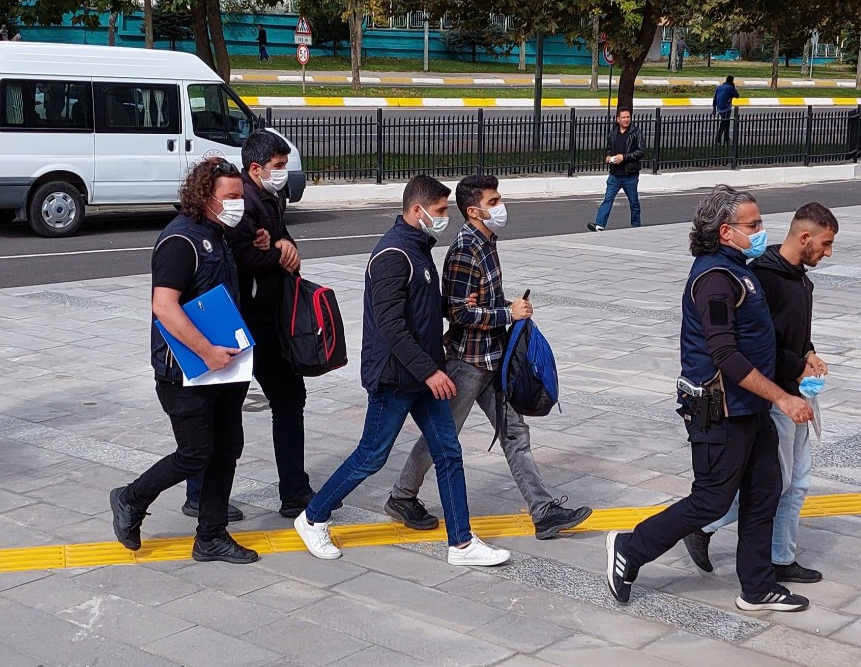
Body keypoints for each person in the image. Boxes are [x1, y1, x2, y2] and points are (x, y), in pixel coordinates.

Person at [606, 186, 815, 613]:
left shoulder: (741, 269)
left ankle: (756, 587)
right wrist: (782, 398)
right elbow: (725, 354)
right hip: (719, 411)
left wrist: (799, 365)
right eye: (753, 225)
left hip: (748, 407)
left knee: (765, 490)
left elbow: (759, 343)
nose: (762, 231)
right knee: (711, 500)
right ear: (726, 231)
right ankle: (630, 546)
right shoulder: (715, 281)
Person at [294, 175, 512, 567]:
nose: (447, 218)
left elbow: (422, 310)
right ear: (418, 211)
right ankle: (313, 518)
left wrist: (456, 306)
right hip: (396, 378)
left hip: (422, 376)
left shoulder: (417, 248)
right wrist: (431, 372)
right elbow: (391, 326)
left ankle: (461, 544)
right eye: (442, 211)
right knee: (371, 455)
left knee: (448, 452)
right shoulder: (393, 255)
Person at [385, 175, 593, 540]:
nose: (500, 207)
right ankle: (402, 496)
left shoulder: (486, 242)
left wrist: (509, 308)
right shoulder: (466, 250)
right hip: (468, 363)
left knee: (514, 433)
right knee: (442, 435)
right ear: (474, 210)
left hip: (491, 359)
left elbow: (479, 302)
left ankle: (543, 512)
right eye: (493, 201)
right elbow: (457, 312)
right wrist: (506, 314)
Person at [110, 158, 259, 565]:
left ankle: (211, 536)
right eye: (230, 197)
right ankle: (130, 497)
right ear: (205, 197)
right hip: (186, 371)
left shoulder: (219, 235)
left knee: (227, 448)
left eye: (240, 196)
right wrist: (207, 352)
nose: (238, 204)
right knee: (195, 453)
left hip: (226, 367)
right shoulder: (181, 241)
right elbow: (164, 305)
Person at [684, 203, 838, 584]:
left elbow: (793, 335)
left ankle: (781, 557)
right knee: (773, 484)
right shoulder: (761, 280)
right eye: (826, 244)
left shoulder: (801, 278)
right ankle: (704, 524)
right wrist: (790, 378)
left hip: (797, 394)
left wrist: (809, 354)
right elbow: (750, 348)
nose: (828, 252)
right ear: (805, 238)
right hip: (775, 396)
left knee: (796, 482)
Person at [182, 131, 317, 520]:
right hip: (245, 323)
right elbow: (239, 261)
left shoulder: (268, 197)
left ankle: (293, 490)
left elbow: (282, 242)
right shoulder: (239, 201)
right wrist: (276, 254)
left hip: (266, 322)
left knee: (285, 400)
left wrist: (280, 245)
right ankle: (203, 493)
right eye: (278, 168)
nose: (284, 174)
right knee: (228, 409)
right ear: (255, 168)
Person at [588, 107, 645, 232]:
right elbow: (608, 148)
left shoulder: (636, 133)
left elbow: (640, 151)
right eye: (623, 117)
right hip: (615, 174)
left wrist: (623, 157)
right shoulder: (613, 133)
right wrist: (608, 157)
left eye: (628, 117)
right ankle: (599, 224)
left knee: (634, 202)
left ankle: (636, 226)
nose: (626, 120)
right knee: (607, 199)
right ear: (618, 119)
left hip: (630, 174)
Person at [714, 76, 739, 145]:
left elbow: (715, 98)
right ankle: (719, 139)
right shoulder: (730, 88)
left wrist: (714, 108)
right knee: (724, 123)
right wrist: (734, 88)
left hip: (719, 107)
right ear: (731, 81)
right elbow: (737, 95)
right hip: (726, 108)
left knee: (726, 123)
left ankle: (726, 139)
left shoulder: (719, 87)